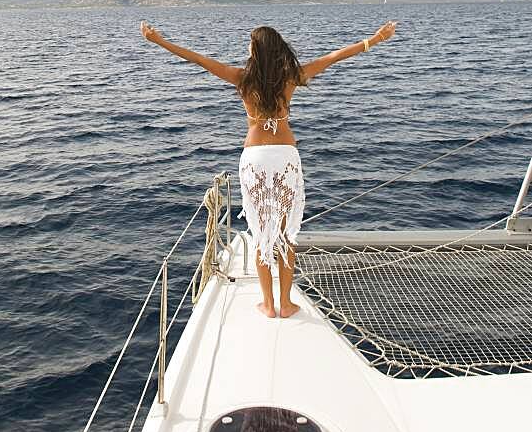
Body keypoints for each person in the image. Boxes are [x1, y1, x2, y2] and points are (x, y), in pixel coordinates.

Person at [140, 19, 397, 318]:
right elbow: (333, 57)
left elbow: (197, 58)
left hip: (255, 157)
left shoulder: (241, 78)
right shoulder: (290, 78)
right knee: (286, 234)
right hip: (285, 155)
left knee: (262, 232)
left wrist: (158, 40)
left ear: (255, 50)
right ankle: (286, 303)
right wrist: (376, 39)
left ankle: (268, 304)